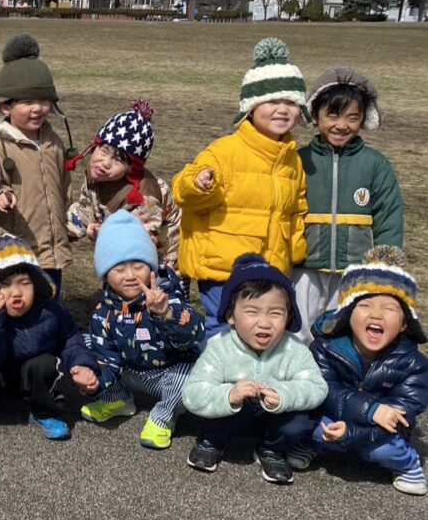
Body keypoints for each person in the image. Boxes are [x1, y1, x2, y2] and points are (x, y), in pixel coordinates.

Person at [172, 38, 309, 340]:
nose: (282, 110)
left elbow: (297, 209)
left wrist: (295, 250)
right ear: (250, 107)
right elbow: (183, 190)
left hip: (270, 270)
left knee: (262, 333)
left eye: (291, 103)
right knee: (224, 332)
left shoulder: (292, 159)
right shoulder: (225, 151)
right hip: (224, 270)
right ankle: (213, 372)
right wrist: (198, 185)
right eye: (272, 101)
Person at [182, 254, 328, 485]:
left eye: (275, 313)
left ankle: (272, 450)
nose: (264, 322)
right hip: (234, 414)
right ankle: (212, 441)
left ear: (289, 316)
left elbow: (317, 387)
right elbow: (193, 392)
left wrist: (284, 395)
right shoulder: (220, 346)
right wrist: (229, 395)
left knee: (300, 421)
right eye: (252, 311)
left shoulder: (293, 348)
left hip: (274, 417)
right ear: (231, 316)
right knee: (216, 407)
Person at [0, 228, 103, 440]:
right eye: (5, 285)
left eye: (25, 283)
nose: (16, 293)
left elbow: (71, 339)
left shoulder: (50, 311)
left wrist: (82, 365)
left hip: (32, 379)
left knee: (43, 363)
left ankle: (43, 412)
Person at [300, 246, 427, 495]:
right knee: (306, 426)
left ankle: (407, 463)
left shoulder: (415, 364)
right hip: (334, 417)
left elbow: (401, 414)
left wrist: (353, 432)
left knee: (388, 447)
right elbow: (325, 391)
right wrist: (371, 410)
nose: (376, 315)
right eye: (365, 305)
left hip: (379, 432)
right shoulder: (325, 348)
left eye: (390, 309)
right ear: (347, 314)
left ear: (404, 323)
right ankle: (314, 446)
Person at [294, 67, 404, 343]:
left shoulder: (375, 165)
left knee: (342, 332)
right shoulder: (299, 160)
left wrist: (384, 269)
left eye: (352, 117)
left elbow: (389, 218)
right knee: (298, 331)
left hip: (353, 272)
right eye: (333, 115)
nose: (341, 125)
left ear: (364, 119)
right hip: (304, 269)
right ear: (315, 115)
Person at [80, 211, 204, 449]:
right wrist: (94, 383)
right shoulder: (103, 310)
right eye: (119, 269)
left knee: (192, 376)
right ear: (105, 274)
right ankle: (117, 399)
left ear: (151, 267)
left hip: (167, 374)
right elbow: (105, 354)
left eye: (138, 266)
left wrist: (166, 314)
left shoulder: (167, 296)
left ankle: (164, 416)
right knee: (84, 346)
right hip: (128, 370)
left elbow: (195, 335)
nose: (130, 276)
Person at [0, 34, 72, 293]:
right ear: (5, 106)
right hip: (16, 247)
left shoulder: (54, 142)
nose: (37, 109)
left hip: (52, 249)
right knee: (17, 301)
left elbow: (64, 186)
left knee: (50, 301)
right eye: (27, 102)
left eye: (43, 101)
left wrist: (68, 218)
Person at [66, 99, 180, 271]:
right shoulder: (97, 175)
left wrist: (105, 234)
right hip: (121, 259)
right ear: (94, 146)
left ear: (131, 168)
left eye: (118, 159)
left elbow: (141, 239)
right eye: (104, 150)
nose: (105, 163)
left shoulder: (143, 197)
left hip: (161, 265)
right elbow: (87, 208)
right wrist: (64, 229)